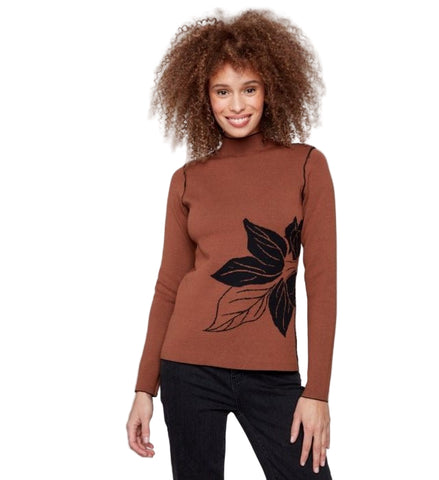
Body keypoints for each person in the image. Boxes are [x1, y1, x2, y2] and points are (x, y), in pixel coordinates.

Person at [126, 9, 337, 480]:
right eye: (222, 91)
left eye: (249, 89)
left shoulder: (306, 165)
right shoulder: (187, 179)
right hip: (187, 369)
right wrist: (144, 387)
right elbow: (169, 286)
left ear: (271, 90)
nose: (236, 104)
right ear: (204, 96)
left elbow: (322, 285)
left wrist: (318, 392)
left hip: (274, 377)